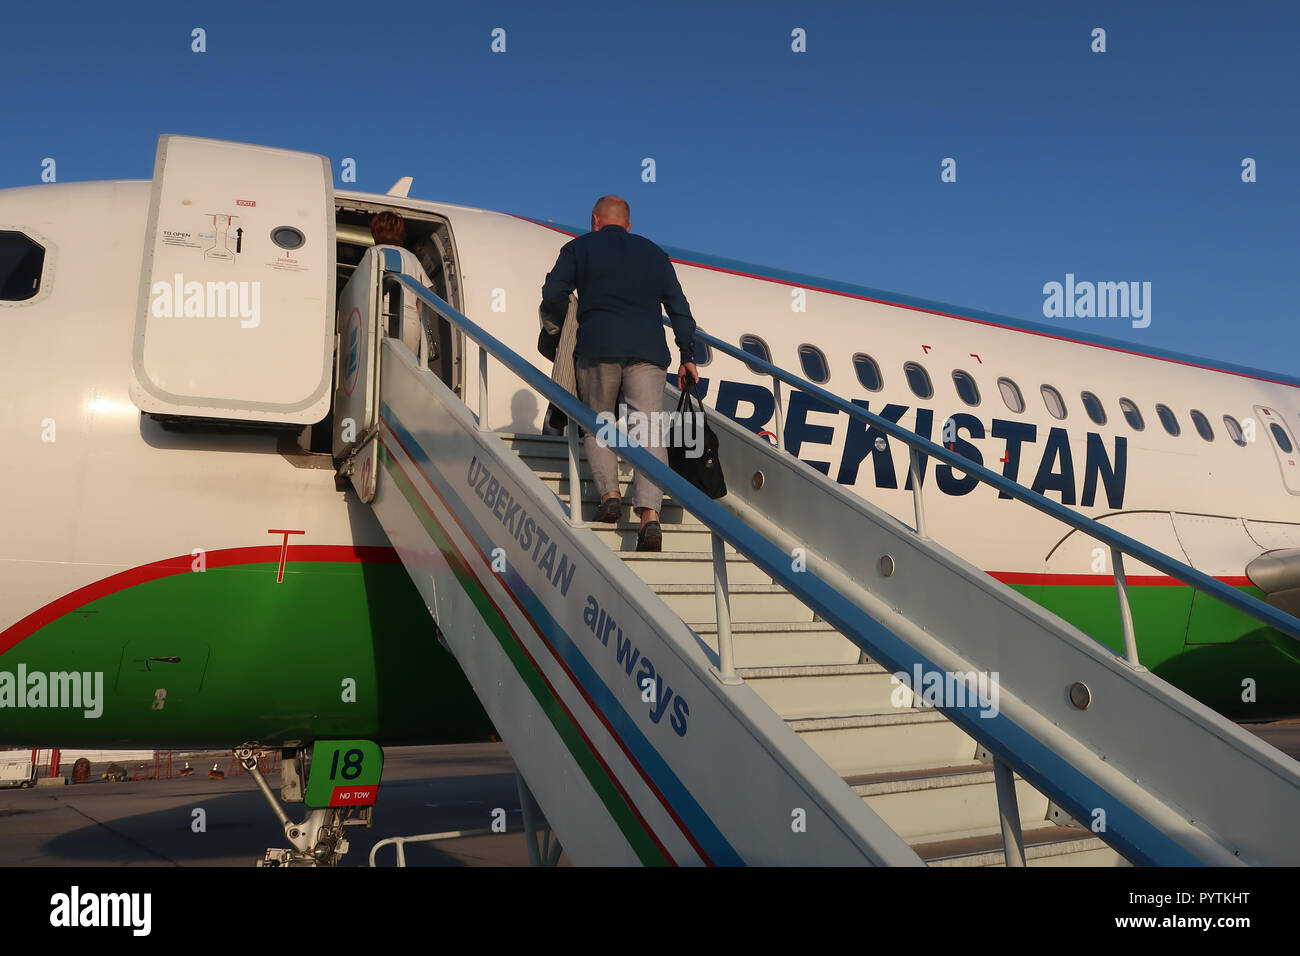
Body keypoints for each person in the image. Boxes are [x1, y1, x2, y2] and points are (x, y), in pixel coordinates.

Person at [539, 195, 699, 552]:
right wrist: (687, 354)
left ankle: (610, 495)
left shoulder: (579, 248)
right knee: (648, 428)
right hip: (648, 352)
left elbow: (553, 293)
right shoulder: (654, 254)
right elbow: (679, 306)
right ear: (628, 224)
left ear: (595, 220)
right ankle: (649, 517)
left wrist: (556, 328)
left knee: (598, 422)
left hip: (597, 347)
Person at [369, 211, 435, 361]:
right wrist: (415, 316)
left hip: (379, 317)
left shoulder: (373, 253)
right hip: (410, 322)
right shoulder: (411, 257)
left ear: (375, 232)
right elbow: (427, 290)